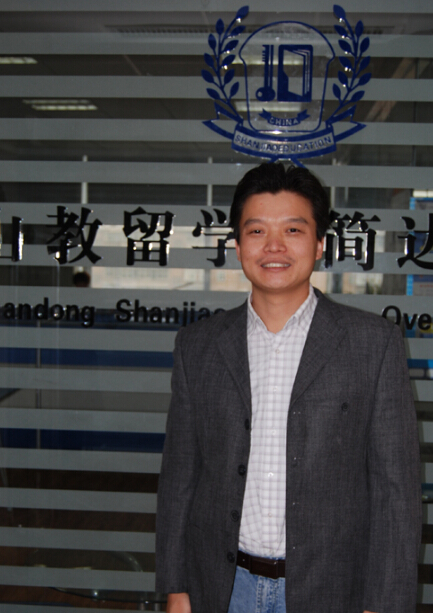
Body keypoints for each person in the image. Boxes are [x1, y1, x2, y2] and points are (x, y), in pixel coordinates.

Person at [155, 163, 421, 613]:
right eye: (257, 230)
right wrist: (176, 586)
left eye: (293, 230)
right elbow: (180, 477)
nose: (274, 246)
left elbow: (396, 493)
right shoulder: (197, 346)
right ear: (237, 244)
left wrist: (385, 604)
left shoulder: (373, 344)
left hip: (333, 591)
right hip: (221, 587)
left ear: (319, 244)